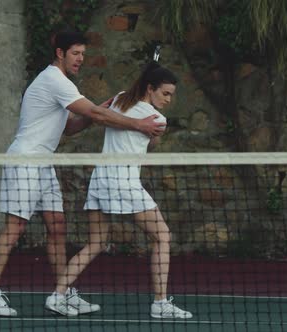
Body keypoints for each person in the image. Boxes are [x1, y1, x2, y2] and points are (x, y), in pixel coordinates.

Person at [0, 31, 167, 317]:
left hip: (43, 164)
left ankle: (62, 294)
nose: (81, 59)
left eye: (83, 54)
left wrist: (93, 114)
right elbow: (98, 115)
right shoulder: (54, 80)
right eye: (76, 53)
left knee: (58, 227)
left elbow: (70, 127)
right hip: (25, 160)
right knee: (15, 228)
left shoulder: (62, 85)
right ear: (60, 53)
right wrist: (136, 124)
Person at [52, 61, 193, 319]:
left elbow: (113, 117)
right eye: (165, 93)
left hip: (100, 180)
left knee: (95, 243)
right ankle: (160, 303)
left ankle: (58, 295)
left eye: (171, 95)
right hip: (124, 183)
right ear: (150, 88)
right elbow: (151, 146)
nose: (169, 99)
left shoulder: (118, 100)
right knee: (163, 237)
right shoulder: (158, 119)